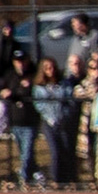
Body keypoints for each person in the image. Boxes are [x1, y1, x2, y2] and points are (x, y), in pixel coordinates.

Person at [34, 58, 80, 186]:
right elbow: (39, 105)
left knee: (67, 149)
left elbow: (71, 102)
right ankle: (56, 179)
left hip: (64, 122)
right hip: (49, 123)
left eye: (52, 67)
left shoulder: (64, 84)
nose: (51, 70)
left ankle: (70, 178)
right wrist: (50, 117)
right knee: (55, 151)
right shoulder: (39, 88)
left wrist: (64, 116)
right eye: (47, 68)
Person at [0, 51, 42, 185]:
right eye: (18, 61)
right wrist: (8, 93)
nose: (21, 64)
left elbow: (31, 92)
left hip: (30, 121)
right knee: (23, 151)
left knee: (27, 151)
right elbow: (3, 91)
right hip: (15, 120)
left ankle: (23, 177)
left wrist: (16, 92)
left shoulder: (33, 75)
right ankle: (35, 173)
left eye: (23, 61)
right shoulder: (10, 75)